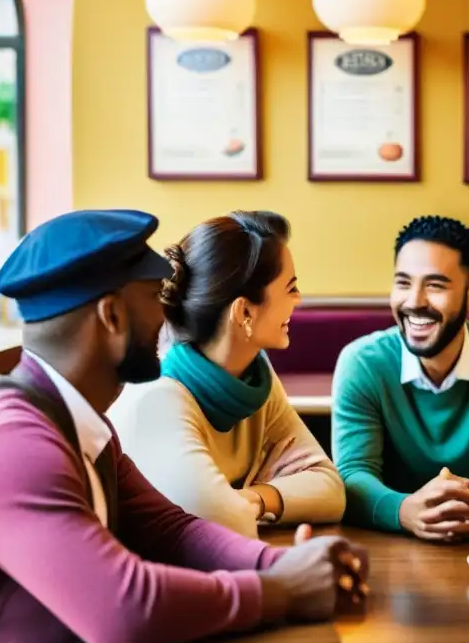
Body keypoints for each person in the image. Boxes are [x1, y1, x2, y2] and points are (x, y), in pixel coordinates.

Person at [0, 210, 368, 643]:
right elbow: (124, 610)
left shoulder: (78, 423)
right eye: (154, 299)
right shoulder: (10, 445)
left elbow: (171, 529)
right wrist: (283, 590)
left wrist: (286, 563)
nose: (169, 318)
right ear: (111, 316)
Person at [109, 211, 344, 538]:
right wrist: (262, 499)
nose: (298, 300)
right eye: (290, 288)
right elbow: (222, 522)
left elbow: (330, 489)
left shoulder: (255, 378)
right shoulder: (158, 397)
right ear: (245, 311)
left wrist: (253, 499)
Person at [332, 215, 469, 541]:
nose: (414, 301)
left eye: (435, 285)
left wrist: (464, 507)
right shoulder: (362, 363)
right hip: (387, 545)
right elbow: (352, 477)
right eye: (403, 283)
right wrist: (405, 510)